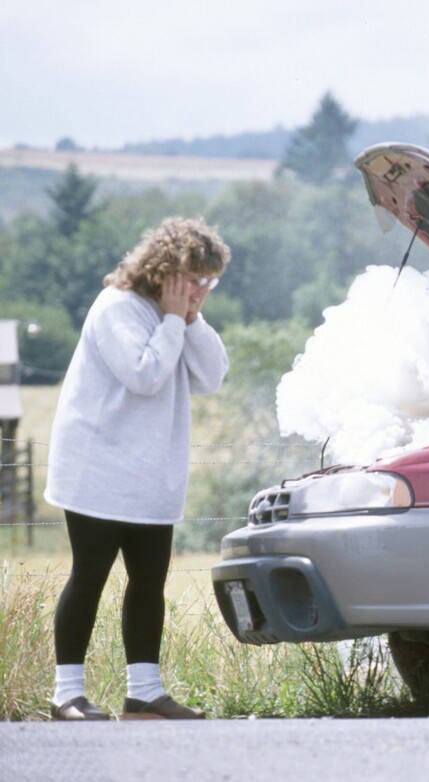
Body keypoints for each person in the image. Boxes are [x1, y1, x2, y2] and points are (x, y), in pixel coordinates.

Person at [44, 216, 230, 720]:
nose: (201, 289)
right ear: (167, 270)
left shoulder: (176, 315)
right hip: (99, 471)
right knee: (90, 577)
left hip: (151, 475)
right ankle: (66, 695)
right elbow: (144, 376)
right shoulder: (117, 308)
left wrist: (189, 320)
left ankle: (144, 692)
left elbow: (212, 376)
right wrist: (173, 319)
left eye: (208, 281)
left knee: (149, 580)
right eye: (196, 278)